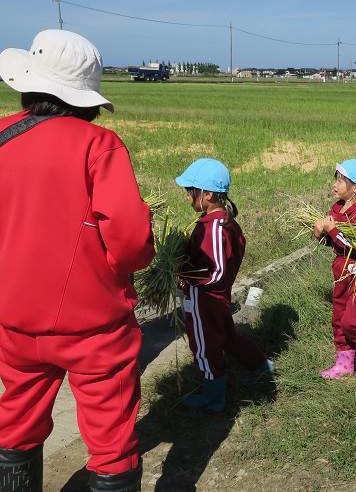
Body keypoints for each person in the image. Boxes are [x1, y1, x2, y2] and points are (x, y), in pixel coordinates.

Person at [0, 30, 154, 491]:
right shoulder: (98, 145)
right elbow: (129, 240)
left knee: (16, 420)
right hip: (94, 325)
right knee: (111, 440)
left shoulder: (3, 135)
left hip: (13, 319)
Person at [175, 159, 273, 412]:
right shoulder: (220, 222)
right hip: (216, 297)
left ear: (207, 194)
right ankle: (259, 364)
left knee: (203, 344)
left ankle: (213, 394)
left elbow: (216, 270)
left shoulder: (215, 228)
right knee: (227, 336)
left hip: (204, 297)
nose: (188, 198)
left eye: (191, 192)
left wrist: (185, 273)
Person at [312, 159, 356, 378]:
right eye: (336, 179)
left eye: (340, 181)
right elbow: (333, 243)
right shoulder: (337, 208)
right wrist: (320, 234)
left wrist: (332, 231)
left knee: (354, 321)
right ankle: (344, 361)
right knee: (339, 318)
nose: (335, 185)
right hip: (340, 271)